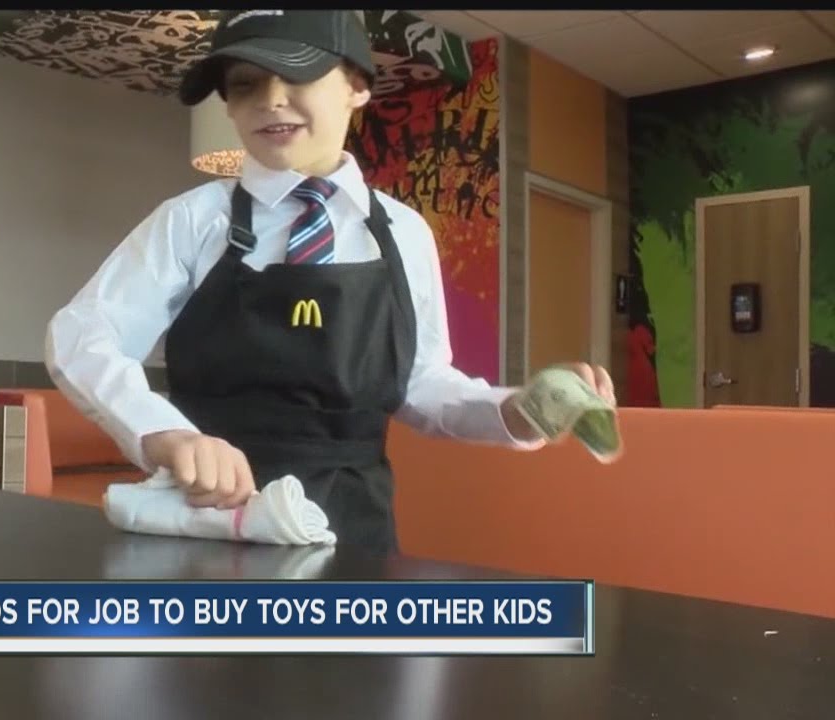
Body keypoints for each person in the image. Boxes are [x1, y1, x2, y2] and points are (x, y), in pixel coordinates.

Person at [45, 10, 614, 554]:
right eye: (244, 84)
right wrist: (166, 435)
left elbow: (420, 383)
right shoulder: (192, 220)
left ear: (357, 85)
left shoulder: (404, 232)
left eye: (296, 71)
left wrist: (513, 411)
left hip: (351, 528)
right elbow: (83, 334)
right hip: (208, 518)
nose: (270, 98)